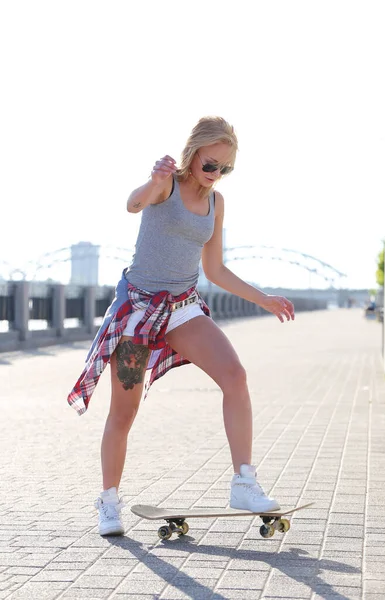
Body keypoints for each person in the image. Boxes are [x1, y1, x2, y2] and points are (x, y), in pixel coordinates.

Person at [68, 116, 295, 536]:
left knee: (235, 375)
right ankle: (109, 501)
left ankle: (244, 482)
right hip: (136, 312)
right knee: (124, 410)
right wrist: (153, 181)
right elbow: (133, 204)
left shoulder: (216, 202)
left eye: (225, 169)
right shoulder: (166, 185)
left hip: (182, 308)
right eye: (211, 165)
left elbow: (215, 268)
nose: (216, 175)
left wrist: (262, 298)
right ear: (193, 154)